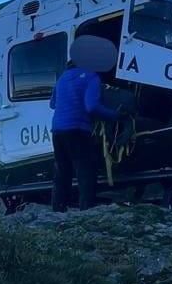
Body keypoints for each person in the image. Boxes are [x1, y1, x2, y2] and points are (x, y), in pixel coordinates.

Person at [48, 61, 121, 211]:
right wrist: (114, 116)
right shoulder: (91, 77)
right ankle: (86, 211)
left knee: (62, 172)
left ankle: (57, 210)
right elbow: (92, 106)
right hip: (78, 130)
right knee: (85, 172)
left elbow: (53, 104)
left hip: (57, 130)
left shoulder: (62, 78)